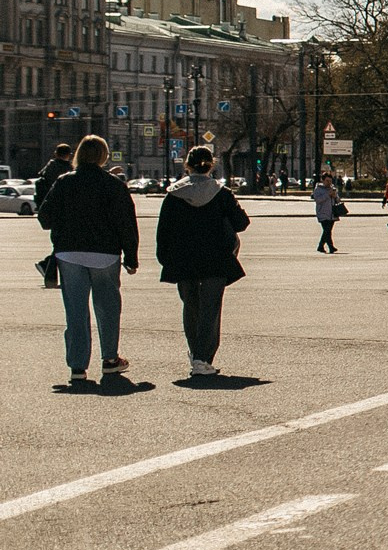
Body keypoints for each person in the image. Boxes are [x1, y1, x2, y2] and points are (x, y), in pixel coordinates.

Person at [38, 135, 139, 386]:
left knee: (76, 311)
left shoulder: (64, 182)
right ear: (104, 156)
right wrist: (131, 257)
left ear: (79, 154)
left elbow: (45, 218)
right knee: (108, 308)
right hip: (105, 254)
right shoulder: (113, 184)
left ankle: (77, 366)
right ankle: (110, 360)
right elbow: (127, 223)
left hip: (69, 253)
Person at [156, 144, 248, 379]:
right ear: (211, 165)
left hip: (183, 259)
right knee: (210, 309)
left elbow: (163, 231)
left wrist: (165, 258)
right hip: (215, 259)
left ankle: (195, 351)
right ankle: (202, 358)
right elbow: (241, 223)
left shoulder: (174, 194)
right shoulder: (221, 193)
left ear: (187, 165)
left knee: (190, 306)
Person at [33, 140, 71, 214]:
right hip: (64, 204)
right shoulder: (69, 169)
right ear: (68, 155)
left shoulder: (50, 167)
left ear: (56, 154)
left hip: (48, 203)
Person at [312, 170, 343, 252]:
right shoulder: (318, 189)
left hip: (332, 213)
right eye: (327, 181)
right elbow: (318, 200)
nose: (329, 183)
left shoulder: (332, 189)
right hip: (322, 213)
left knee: (328, 231)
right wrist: (327, 195)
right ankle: (328, 246)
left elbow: (338, 200)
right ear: (323, 180)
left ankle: (322, 247)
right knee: (327, 230)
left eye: (330, 181)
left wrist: (335, 196)